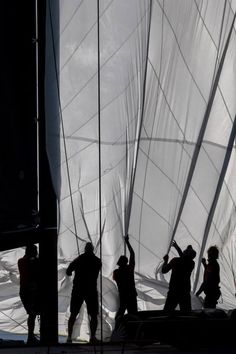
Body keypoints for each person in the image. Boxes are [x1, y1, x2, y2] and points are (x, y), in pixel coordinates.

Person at [66, 242, 101, 344]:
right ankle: (93, 337)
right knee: (93, 315)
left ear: (85, 249)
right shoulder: (97, 261)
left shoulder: (79, 260)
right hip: (91, 290)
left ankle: (69, 338)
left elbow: (68, 271)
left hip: (78, 289)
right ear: (92, 249)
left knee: (73, 314)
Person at [162, 240, 196, 313]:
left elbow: (164, 270)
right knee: (186, 314)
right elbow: (185, 259)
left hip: (173, 291)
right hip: (185, 292)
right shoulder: (191, 264)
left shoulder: (175, 261)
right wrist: (177, 248)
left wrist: (165, 261)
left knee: (167, 313)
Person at [18, 244, 40, 344]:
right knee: (33, 314)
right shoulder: (32, 262)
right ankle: (30, 337)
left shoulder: (21, 261)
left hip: (24, 291)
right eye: (36, 251)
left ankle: (30, 336)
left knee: (32, 314)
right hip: (30, 291)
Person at [113, 235, 137, 320]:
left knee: (121, 313)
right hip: (131, 295)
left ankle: (117, 328)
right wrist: (127, 242)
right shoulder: (129, 269)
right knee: (133, 314)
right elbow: (132, 254)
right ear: (126, 262)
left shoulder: (116, 272)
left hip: (123, 296)